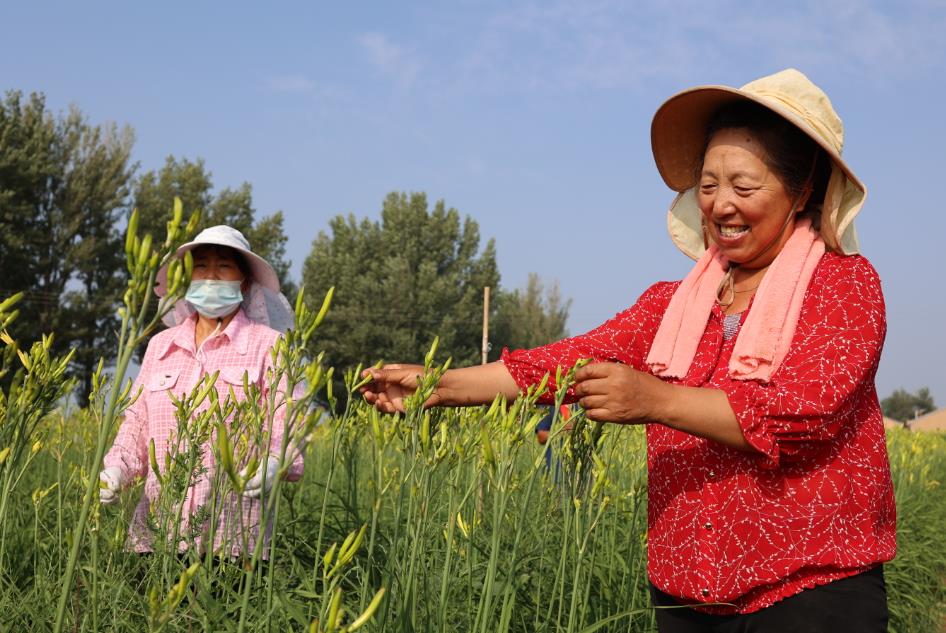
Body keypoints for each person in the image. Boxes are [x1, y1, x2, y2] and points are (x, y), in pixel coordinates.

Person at [360, 69, 895, 631]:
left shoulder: (842, 287)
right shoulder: (673, 305)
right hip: (686, 599)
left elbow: (800, 414)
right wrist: (436, 386)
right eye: (708, 186)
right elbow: (562, 364)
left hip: (809, 596)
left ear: (803, 188)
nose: (720, 205)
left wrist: (657, 399)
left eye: (743, 186)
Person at [99, 225, 303, 559]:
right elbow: (137, 421)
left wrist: (275, 461)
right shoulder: (161, 346)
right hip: (157, 533)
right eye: (200, 266)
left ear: (246, 281)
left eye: (224, 266)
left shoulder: (271, 346)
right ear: (186, 279)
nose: (210, 276)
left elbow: (288, 419)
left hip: (234, 538)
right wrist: (116, 468)